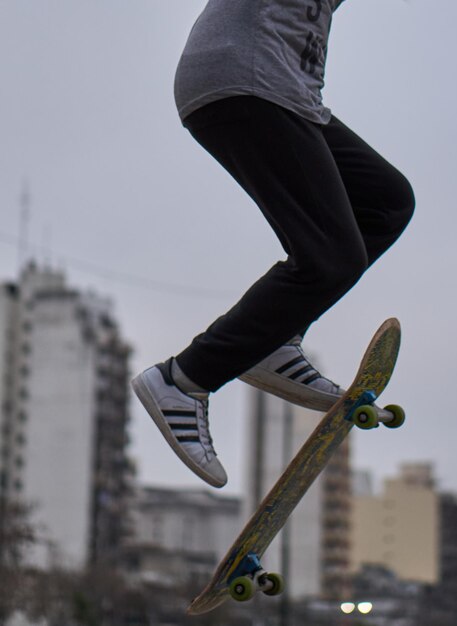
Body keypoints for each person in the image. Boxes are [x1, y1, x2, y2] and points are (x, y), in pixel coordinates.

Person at [132, 0, 415, 488]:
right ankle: (183, 379)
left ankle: (273, 340)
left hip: (288, 90)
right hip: (246, 77)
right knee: (331, 257)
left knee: (386, 200)